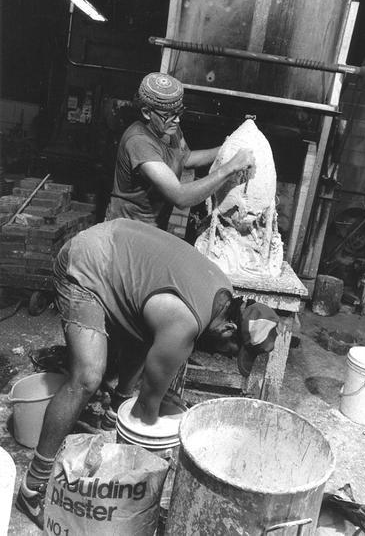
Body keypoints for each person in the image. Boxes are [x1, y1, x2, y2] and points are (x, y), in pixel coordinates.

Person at [16, 218, 281, 529]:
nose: (226, 356)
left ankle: (113, 414)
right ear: (229, 329)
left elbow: (154, 333)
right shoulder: (185, 324)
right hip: (86, 262)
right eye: (233, 351)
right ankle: (32, 488)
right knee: (87, 377)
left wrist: (156, 386)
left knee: (147, 343)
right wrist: (165, 419)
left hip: (117, 245)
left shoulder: (225, 295)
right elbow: (146, 412)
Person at [105, 72, 255, 229]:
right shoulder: (139, 141)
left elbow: (186, 158)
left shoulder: (169, 127)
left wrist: (227, 148)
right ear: (146, 112)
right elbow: (180, 197)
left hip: (152, 228)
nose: (177, 120)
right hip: (127, 229)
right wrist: (230, 167)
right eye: (168, 115)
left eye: (179, 112)